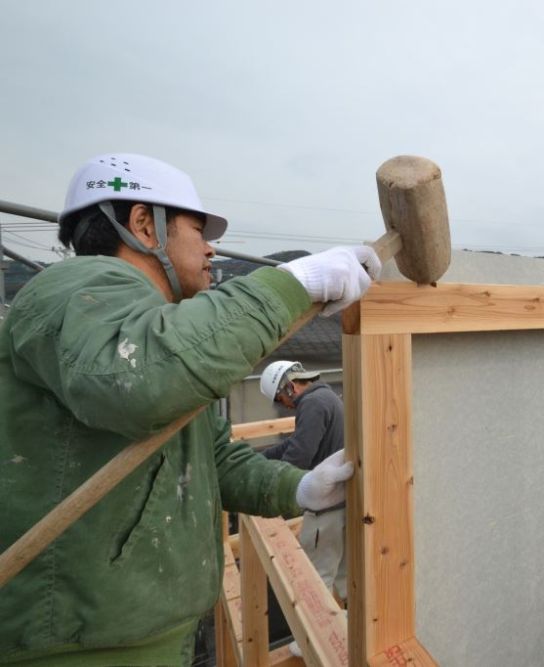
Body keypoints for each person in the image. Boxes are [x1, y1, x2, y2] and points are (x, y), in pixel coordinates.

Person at [0, 153, 380, 665]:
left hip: (141, 629)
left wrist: (296, 487)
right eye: (197, 231)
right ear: (143, 226)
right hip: (85, 646)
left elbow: (210, 456)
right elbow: (139, 380)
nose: (210, 247)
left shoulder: (152, 323)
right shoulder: (75, 289)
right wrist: (292, 284)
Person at [260, 360, 349, 603]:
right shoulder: (325, 397)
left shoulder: (311, 405)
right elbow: (294, 444)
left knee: (315, 579)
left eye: (280, 399)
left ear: (289, 388)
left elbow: (299, 455)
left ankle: (310, 640)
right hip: (341, 502)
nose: (285, 406)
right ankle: (346, 635)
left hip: (325, 509)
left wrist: (270, 485)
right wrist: (259, 459)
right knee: (344, 578)